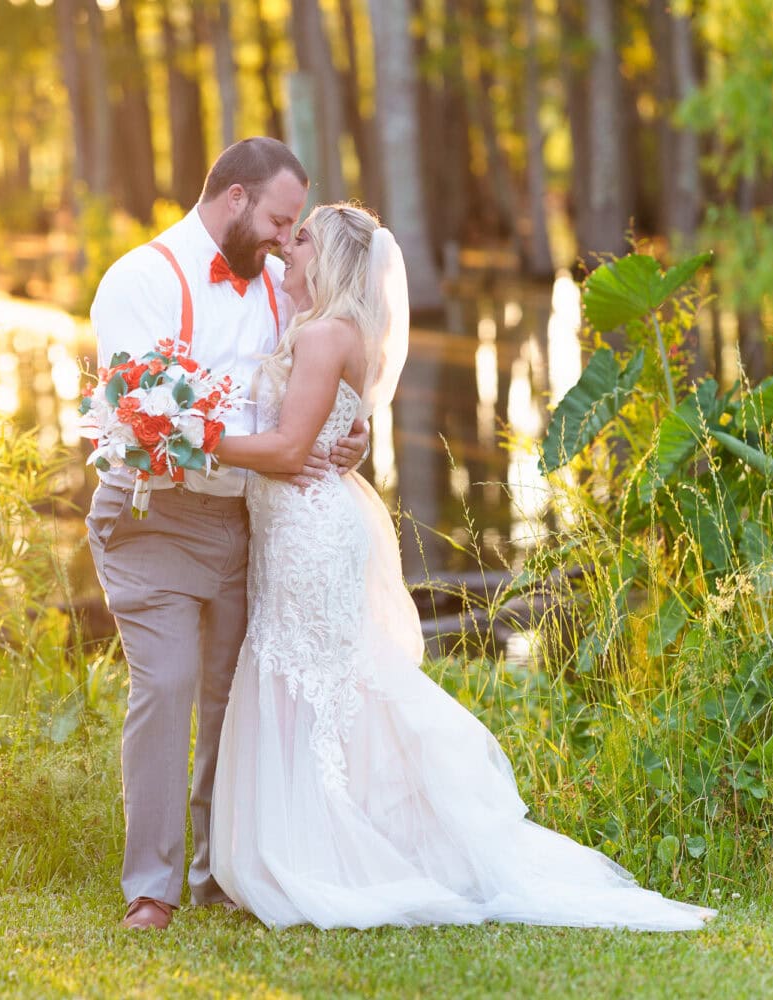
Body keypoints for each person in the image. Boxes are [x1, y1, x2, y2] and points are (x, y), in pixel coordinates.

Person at [208, 203, 716, 932]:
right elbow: (328, 426)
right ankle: (340, 841)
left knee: (319, 686)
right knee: (323, 686)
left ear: (334, 259)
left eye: (304, 237)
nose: (290, 246)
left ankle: (333, 853)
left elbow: (290, 450)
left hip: (310, 530)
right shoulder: (330, 330)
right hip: (300, 526)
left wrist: (194, 434)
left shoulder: (323, 335)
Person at [85, 139, 369, 931]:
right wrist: (260, 450)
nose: (287, 241)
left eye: (295, 229)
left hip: (249, 522)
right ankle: (152, 888)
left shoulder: (284, 288)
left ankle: (219, 873)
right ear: (235, 199)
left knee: (229, 699)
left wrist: (358, 432)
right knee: (169, 683)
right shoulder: (142, 281)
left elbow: (327, 372)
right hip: (153, 517)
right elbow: (133, 422)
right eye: (281, 221)